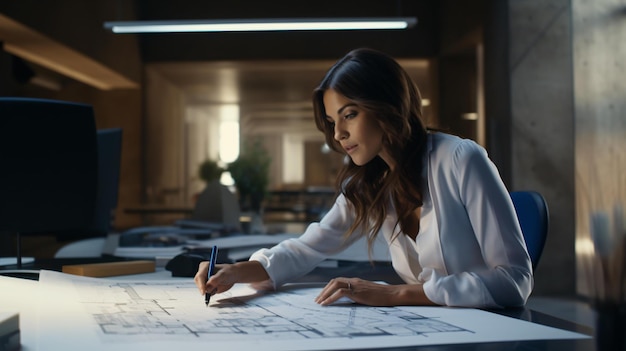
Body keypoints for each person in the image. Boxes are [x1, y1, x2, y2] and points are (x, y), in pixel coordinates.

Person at [194, 48, 533, 308]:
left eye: (350, 115)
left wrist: (397, 293)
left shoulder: (461, 160)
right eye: (332, 121)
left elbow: (514, 281)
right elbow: (306, 249)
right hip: (430, 330)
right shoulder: (369, 181)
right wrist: (237, 271)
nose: (339, 133)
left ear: (387, 105)